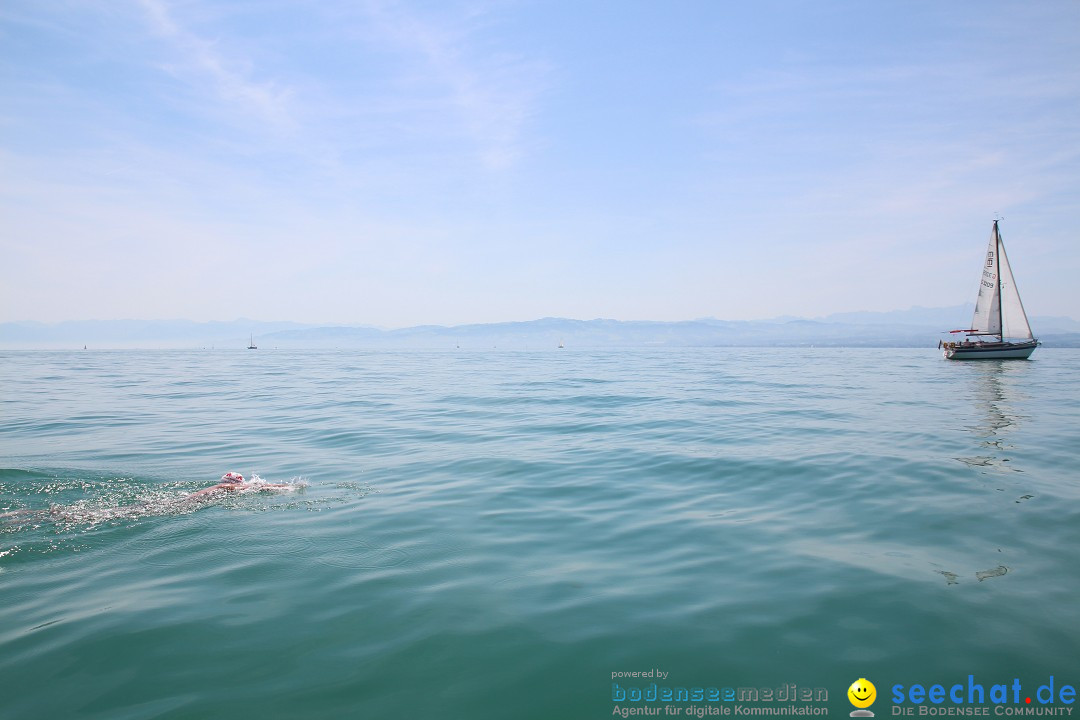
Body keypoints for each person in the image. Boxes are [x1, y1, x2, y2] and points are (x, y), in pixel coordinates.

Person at [185, 472, 292, 500]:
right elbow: (255, 486)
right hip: (197, 499)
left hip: (193, 497)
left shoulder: (219, 486)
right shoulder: (226, 486)